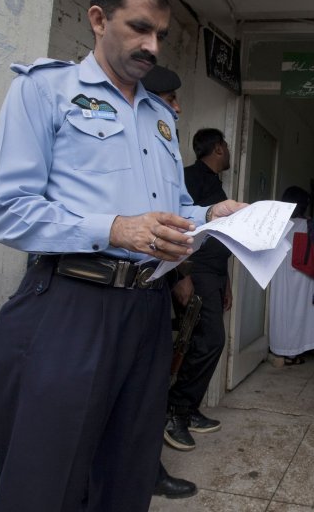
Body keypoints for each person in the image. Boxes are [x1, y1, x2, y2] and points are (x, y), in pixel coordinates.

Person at [0, 0, 245, 512]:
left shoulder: (160, 117)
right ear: (98, 20)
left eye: (162, 36)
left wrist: (212, 213)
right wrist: (115, 228)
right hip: (69, 306)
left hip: (146, 312)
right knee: (44, 483)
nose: (152, 46)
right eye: (139, 29)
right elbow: (8, 212)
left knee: (126, 477)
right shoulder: (45, 90)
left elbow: (168, 211)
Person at [140, 65, 199, 498]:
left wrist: (214, 215)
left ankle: (147, 470)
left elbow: (176, 217)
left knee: (146, 388)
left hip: (150, 288)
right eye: (170, 98)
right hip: (97, 288)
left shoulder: (166, 146)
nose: (177, 108)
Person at [162, 128, 234, 452]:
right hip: (197, 272)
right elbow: (178, 227)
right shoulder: (191, 178)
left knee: (206, 341)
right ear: (218, 148)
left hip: (214, 274)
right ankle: (174, 411)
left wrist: (226, 281)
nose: (229, 151)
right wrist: (181, 274)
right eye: (227, 146)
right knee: (209, 340)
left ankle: (188, 410)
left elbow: (217, 237)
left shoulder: (215, 185)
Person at [268, 186, 314, 365]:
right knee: (300, 311)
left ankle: (279, 347)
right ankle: (295, 350)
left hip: (278, 272)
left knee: (281, 308)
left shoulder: (275, 222)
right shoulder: (309, 224)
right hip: (303, 274)